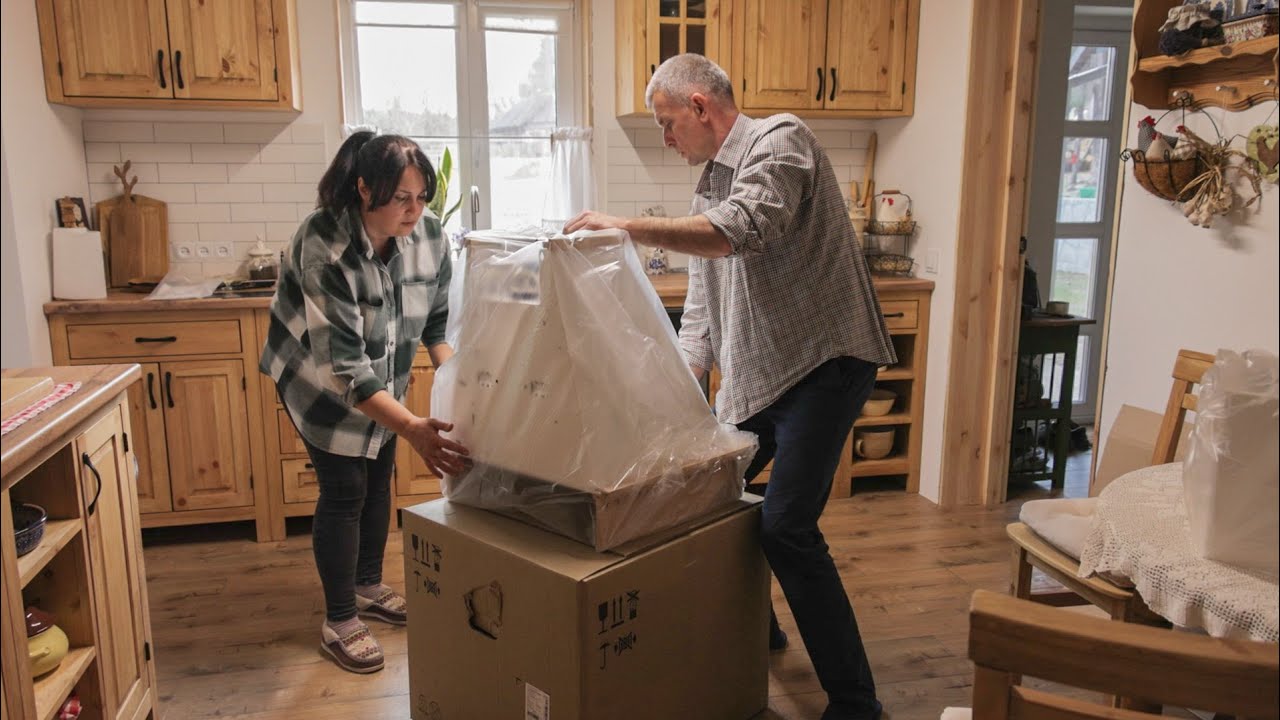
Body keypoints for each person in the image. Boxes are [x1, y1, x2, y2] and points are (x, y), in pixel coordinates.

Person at [564, 54, 895, 720]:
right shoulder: (706, 187)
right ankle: (760, 627)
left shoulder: (783, 140)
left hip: (826, 362)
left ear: (698, 107)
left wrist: (624, 226)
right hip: (763, 375)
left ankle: (857, 703)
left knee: (787, 528)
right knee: (712, 494)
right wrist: (680, 404)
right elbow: (704, 316)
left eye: (667, 124)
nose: (666, 139)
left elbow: (737, 233)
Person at [260, 130, 470, 674]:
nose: (415, 210)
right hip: (316, 380)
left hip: (381, 378)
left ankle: (369, 583)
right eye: (402, 198)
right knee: (345, 487)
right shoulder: (322, 244)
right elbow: (343, 369)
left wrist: (465, 385)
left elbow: (438, 326)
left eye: (422, 197)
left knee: (380, 475)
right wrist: (414, 427)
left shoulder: (429, 238)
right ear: (363, 189)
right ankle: (340, 617)